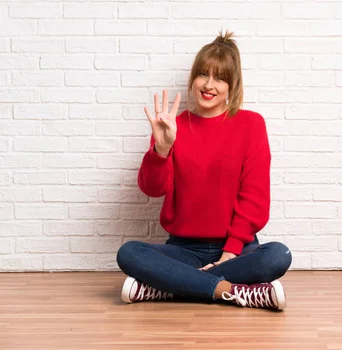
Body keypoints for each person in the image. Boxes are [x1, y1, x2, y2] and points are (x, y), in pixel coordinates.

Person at [115, 30, 292, 311]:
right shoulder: (172, 126)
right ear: (193, 79)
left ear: (232, 86)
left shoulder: (251, 125)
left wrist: (230, 252)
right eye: (203, 75)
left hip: (237, 248)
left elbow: (255, 198)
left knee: (277, 256)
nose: (209, 85)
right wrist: (161, 150)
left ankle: (170, 287)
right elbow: (152, 188)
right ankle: (233, 291)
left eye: (220, 78)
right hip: (183, 249)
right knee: (129, 253)